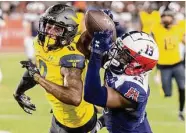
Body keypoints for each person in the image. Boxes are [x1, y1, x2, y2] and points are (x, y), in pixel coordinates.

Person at [13, 4, 97, 133]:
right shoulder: (40, 43)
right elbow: (36, 69)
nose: (49, 31)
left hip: (78, 124)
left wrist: (39, 79)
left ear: (68, 32)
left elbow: (74, 97)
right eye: (48, 24)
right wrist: (18, 92)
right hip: (59, 117)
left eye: (57, 29)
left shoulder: (71, 56)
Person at [84, 30, 159, 133]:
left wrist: (96, 54)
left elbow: (92, 94)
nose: (117, 55)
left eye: (124, 55)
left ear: (139, 66)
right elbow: (82, 49)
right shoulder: (123, 66)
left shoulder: (134, 88)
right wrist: (100, 28)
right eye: (120, 50)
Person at [151, 8, 185, 121]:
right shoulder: (157, 28)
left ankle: (181, 111)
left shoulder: (179, 28)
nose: (165, 18)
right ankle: (164, 87)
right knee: (167, 93)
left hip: (177, 64)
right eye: (164, 16)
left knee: (182, 87)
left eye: (168, 16)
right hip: (163, 66)